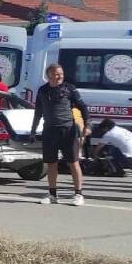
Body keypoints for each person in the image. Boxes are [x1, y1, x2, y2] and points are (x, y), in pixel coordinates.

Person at [29, 63, 90, 205]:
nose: (60, 76)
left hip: (68, 130)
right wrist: (33, 131)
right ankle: (52, 195)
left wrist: (88, 125)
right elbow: (38, 112)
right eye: (56, 74)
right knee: (51, 164)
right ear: (48, 75)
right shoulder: (42, 91)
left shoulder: (70, 89)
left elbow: (83, 107)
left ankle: (78, 194)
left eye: (61, 74)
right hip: (50, 130)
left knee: (73, 163)